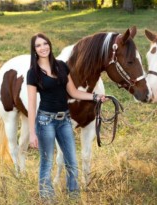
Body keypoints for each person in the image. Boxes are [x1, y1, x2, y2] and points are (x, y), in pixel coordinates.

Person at [27, 33, 106, 201]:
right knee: (47, 163)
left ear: (50, 45)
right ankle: (47, 199)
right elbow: (32, 104)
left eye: (45, 44)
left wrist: (95, 97)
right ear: (34, 50)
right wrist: (32, 132)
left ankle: (73, 197)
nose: (43, 48)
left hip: (64, 120)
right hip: (45, 120)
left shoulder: (61, 66)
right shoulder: (33, 73)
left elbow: (74, 92)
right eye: (38, 45)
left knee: (72, 162)